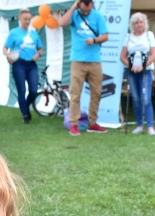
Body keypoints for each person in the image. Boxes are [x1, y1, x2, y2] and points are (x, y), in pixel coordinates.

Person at [60, 0, 109, 135]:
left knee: (96, 93)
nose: (85, 12)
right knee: (75, 93)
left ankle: (92, 123)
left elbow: (105, 36)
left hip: (95, 61)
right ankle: (74, 124)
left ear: (92, 5)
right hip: (77, 60)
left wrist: (94, 40)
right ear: (79, 5)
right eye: (83, 9)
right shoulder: (75, 14)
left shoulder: (98, 16)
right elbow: (62, 23)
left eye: (88, 10)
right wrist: (74, 6)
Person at [3, 8, 43, 124]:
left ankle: (25, 105)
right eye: (25, 19)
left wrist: (38, 54)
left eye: (29, 19)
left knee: (34, 90)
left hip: (31, 64)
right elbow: (5, 47)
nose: (27, 21)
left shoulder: (34, 33)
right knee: (22, 89)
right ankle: (25, 114)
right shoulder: (14, 33)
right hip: (19, 63)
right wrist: (7, 55)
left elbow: (40, 48)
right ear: (20, 19)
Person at [120, 12, 155, 135]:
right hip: (131, 71)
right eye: (136, 22)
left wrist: (143, 66)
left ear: (144, 23)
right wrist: (131, 66)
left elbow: (154, 54)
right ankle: (140, 125)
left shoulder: (149, 35)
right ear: (133, 25)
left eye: (141, 22)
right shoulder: (128, 37)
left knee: (145, 99)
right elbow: (122, 56)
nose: (139, 24)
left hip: (146, 71)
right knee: (135, 98)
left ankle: (150, 126)